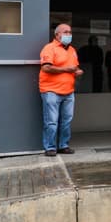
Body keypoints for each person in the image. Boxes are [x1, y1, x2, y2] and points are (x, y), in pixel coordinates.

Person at [39, 23, 83, 157]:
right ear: (57, 34)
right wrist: (67, 69)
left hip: (68, 91)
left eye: (70, 32)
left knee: (66, 121)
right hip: (51, 91)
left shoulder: (72, 50)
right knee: (51, 121)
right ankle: (50, 147)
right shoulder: (49, 48)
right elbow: (46, 67)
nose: (69, 34)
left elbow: (74, 68)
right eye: (65, 32)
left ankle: (64, 146)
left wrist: (77, 71)